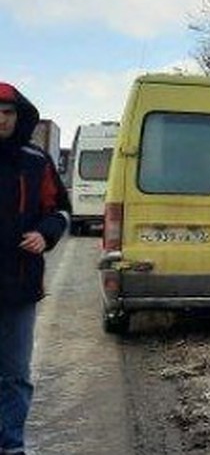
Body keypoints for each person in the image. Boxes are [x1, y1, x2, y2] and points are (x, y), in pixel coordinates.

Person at [1, 82, 71, 455]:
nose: (1, 119)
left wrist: (45, 235)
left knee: (14, 375)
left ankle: (11, 446)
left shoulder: (35, 161)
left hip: (18, 285)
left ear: (18, 116)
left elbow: (59, 210)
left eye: (8, 113)